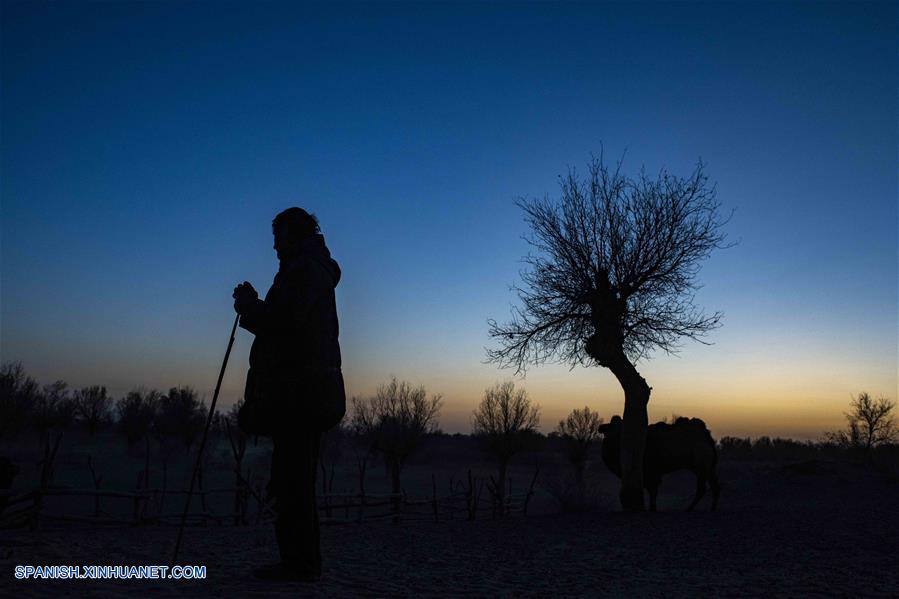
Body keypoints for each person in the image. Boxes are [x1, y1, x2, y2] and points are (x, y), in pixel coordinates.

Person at [232, 207, 342, 582]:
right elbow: (288, 320)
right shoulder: (308, 269)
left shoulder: (304, 271)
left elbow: (283, 322)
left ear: (293, 235)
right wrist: (255, 307)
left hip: (300, 396)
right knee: (292, 479)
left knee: (292, 481)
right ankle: (299, 562)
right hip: (305, 394)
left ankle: (300, 565)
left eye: (278, 237)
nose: (275, 246)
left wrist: (250, 307)